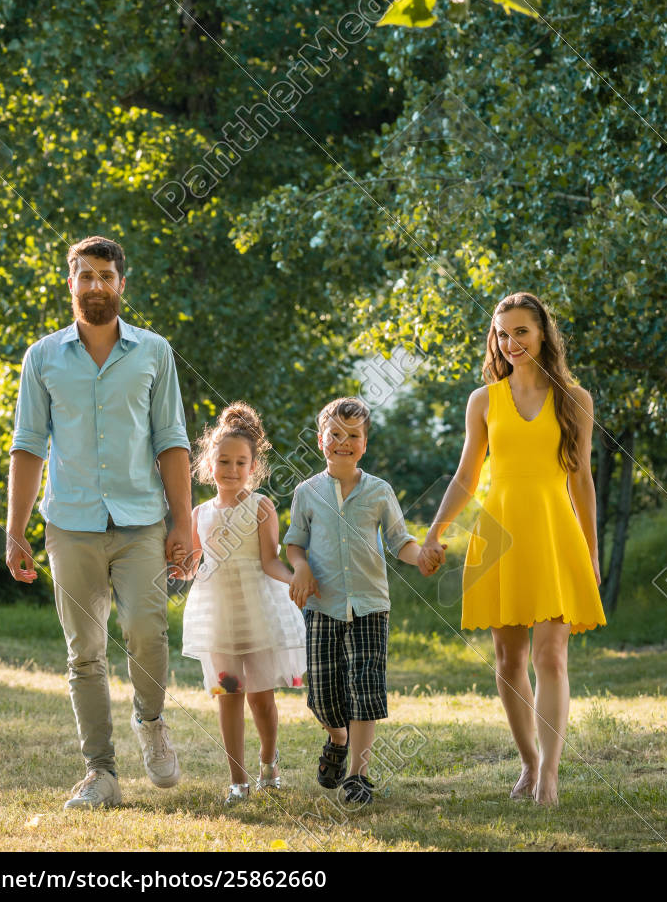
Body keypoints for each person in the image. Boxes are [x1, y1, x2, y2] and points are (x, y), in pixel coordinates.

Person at [5, 235, 193, 810]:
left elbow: (172, 441)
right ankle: (101, 773)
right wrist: (15, 530)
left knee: (146, 630)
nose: (95, 286)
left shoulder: (154, 352)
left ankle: (151, 720)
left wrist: (183, 522)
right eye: (84, 276)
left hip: (141, 521)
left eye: (105, 276)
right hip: (70, 524)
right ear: (71, 284)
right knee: (84, 650)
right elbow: (28, 446)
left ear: (121, 285)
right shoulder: (42, 358)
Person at [421, 292, 606, 806]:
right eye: (503, 334)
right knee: (507, 659)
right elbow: (466, 475)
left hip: (553, 533)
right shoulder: (483, 400)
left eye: (521, 331)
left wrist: (591, 551)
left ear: (542, 332)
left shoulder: (576, 399)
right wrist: (436, 532)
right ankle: (528, 761)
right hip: (497, 534)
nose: (511, 343)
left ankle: (549, 773)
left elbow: (582, 479)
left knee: (551, 654)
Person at [283, 397, 444, 805]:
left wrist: (421, 555)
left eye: (353, 435)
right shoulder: (306, 493)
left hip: (371, 605)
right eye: (335, 434)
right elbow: (294, 546)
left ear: (365, 443)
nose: (344, 441)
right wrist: (300, 568)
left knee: (365, 687)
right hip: (322, 606)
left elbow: (400, 542)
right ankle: (337, 739)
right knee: (322, 694)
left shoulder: (379, 491)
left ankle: (357, 775)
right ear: (321, 440)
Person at [180, 402, 306, 805]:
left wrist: (296, 580)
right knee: (228, 694)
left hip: (257, 611)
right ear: (208, 464)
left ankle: (269, 764)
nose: (231, 470)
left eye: (240, 462)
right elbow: (193, 564)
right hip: (217, 614)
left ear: (253, 467)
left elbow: (271, 560)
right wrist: (177, 567)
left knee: (261, 698)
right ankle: (238, 780)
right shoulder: (199, 513)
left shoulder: (260, 506)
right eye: (223, 461)